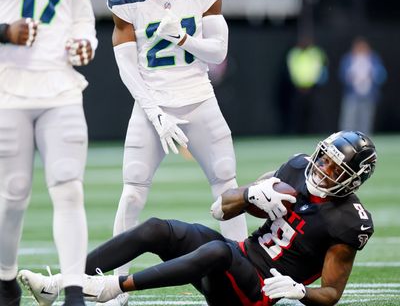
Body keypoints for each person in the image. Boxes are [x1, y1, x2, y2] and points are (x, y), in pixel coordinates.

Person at [19, 130, 376, 306]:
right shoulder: (297, 168)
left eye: (335, 166)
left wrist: (300, 292)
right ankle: (66, 281)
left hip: (255, 293)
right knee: (160, 229)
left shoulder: (347, 221)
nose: (323, 168)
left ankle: (111, 287)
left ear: (354, 178)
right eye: (324, 157)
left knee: (220, 253)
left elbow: (331, 293)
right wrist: (252, 193)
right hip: (239, 257)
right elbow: (222, 208)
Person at [100, 0, 248, 304]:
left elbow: (218, 52)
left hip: (199, 96)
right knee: (132, 191)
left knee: (227, 187)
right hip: (152, 102)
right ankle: (115, 286)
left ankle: (249, 276)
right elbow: (127, 66)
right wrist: (155, 113)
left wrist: (183, 37)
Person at [0, 0, 98, 305]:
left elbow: (82, 18)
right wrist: (5, 31)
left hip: (61, 87)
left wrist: (85, 42)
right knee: (13, 192)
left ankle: (74, 288)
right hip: (8, 89)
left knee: (69, 187)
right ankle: (5, 278)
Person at [338, 36, 387, 135]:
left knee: (366, 120)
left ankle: (364, 142)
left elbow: (382, 75)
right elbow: (342, 75)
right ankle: (346, 139)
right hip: (352, 94)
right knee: (349, 120)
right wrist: (351, 76)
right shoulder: (348, 58)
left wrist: (371, 74)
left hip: (368, 94)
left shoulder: (373, 58)